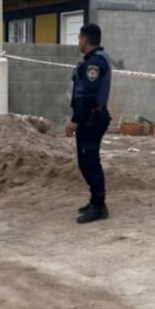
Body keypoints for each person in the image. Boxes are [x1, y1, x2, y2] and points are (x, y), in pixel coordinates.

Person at [65, 23, 112, 224]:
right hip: (91, 117)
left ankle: (99, 205)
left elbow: (89, 97)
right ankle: (96, 201)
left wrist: (74, 121)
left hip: (91, 119)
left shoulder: (94, 63)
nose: (78, 42)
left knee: (89, 162)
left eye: (79, 39)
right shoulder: (98, 59)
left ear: (85, 40)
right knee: (87, 161)